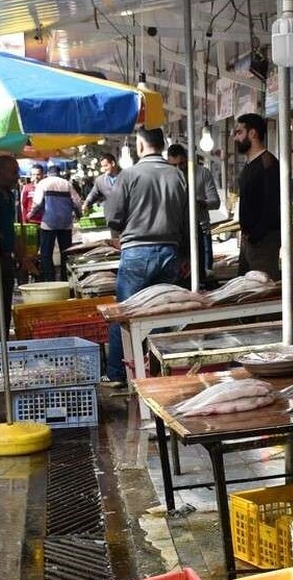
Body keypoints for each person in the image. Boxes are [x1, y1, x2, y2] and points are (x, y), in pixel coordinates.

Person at [103, 127, 189, 388]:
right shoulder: (178, 175)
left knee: (125, 315)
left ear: (140, 146)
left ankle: (119, 374)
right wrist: (184, 254)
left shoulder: (129, 175)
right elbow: (186, 220)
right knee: (160, 314)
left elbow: (113, 216)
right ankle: (157, 369)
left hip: (137, 253)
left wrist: (120, 231)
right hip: (170, 252)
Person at [233, 112, 281, 280]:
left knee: (263, 291)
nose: (235, 138)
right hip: (250, 241)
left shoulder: (268, 164)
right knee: (245, 290)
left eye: (239, 132)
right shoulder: (249, 165)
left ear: (253, 133)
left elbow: (273, 205)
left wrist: (256, 235)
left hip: (264, 242)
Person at [166, 143, 221, 283]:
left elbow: (215, 202)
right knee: (181, 276)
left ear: (187, 159)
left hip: (201, 230)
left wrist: (199, 203)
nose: (178, 168)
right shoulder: (166, 178)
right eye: (173, 165)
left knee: (203, 273)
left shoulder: (202, 173)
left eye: (182, 164)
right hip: (176, 234)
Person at [30, 165, 81, 281]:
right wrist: (79, 215)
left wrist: (30, 214)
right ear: (59, 173)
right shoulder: (67, 184)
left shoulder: (43, 183)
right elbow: (77, 201)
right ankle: (66, 279)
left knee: (46, 253)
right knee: (66, 253)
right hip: (65, 223)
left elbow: (37, 203)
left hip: (48, 223)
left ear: (48, 173)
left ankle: (50, 278)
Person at [0, 154, 20, 331]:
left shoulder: (8, 195)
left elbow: (10, 228)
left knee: (5, 306)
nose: (17, 176)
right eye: (13, 172)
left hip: (7, 259)